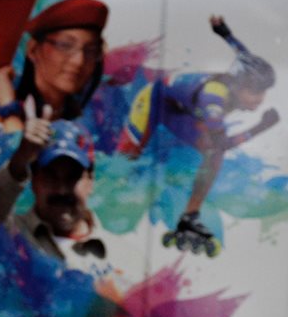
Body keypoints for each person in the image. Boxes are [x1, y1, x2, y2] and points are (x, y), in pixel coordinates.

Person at [119, 15, 279, 255]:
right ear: (238, 85)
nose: (260, 100)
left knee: (212, 153)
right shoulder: (213, 101)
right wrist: (260, 127)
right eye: (255, 93)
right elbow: (223, 144)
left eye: (263, 92)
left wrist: (224, 32)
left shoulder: (239, 76)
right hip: (154, 100)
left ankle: (190, 215)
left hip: (180, 106)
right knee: (128, 157)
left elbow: (242, 54)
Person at [0, 117, 106, 271]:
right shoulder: (10, 236)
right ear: (33, 180)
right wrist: (19, 161)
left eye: (72, 177)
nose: (61, 190)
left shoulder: (125, 255)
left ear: (91, 180)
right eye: (50, 176)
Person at [0, 0, 108, 132]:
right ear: (33, 49)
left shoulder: (92, 120)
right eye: (65, 45)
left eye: (91, 50)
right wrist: (8, 108)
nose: (79, 61)